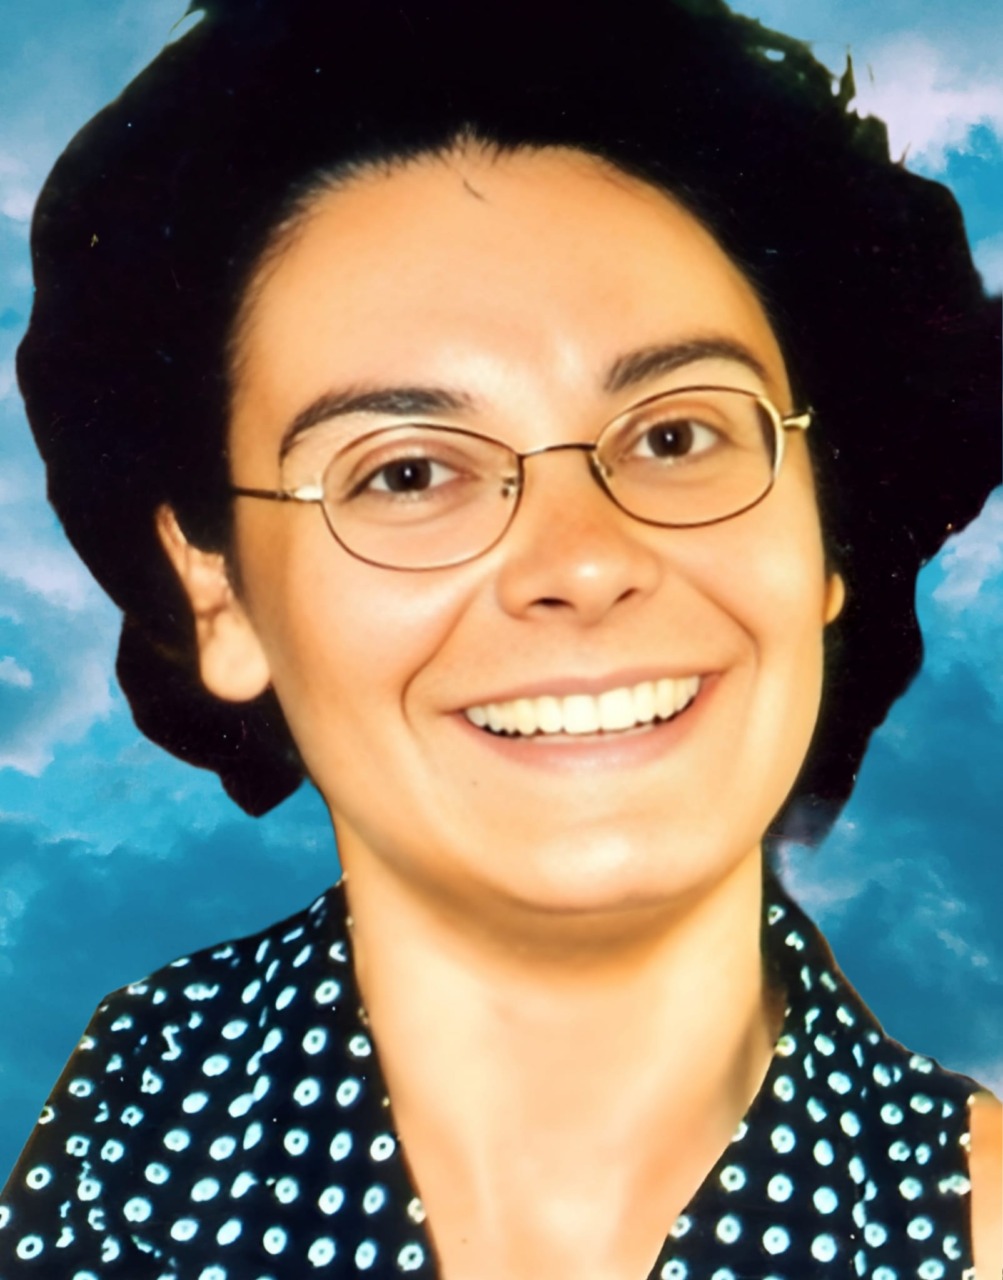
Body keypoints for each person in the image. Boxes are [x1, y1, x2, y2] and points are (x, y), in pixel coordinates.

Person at [1, 0, 1000, 1276]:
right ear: (219, 594)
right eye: (408, 472)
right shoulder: (127, 1131)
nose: (582, 559)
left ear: (823, 538)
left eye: (676, 435)